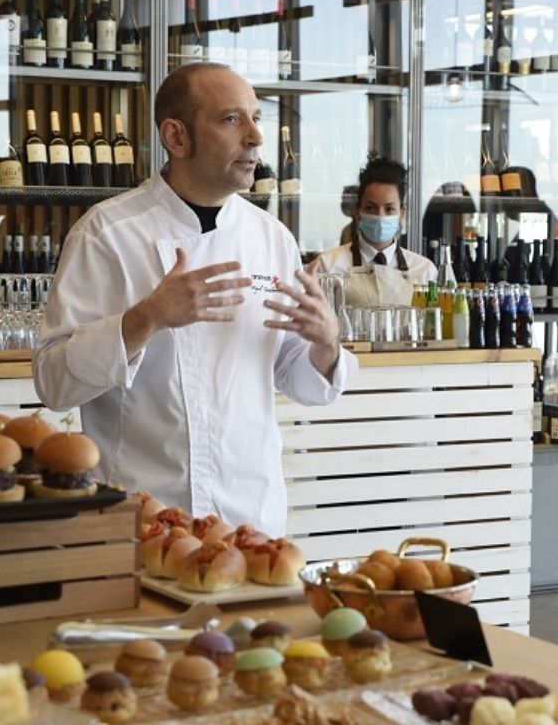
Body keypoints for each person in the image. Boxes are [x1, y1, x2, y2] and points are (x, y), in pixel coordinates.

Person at [32, 63, 358, 537]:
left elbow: (299, 380)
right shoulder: (107, 234)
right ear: (176, 137)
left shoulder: (272, 239)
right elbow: (53, 383)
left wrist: (326, 344)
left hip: (252, 521)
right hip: (140, 520)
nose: (254, 138)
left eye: (255, 118)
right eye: (231, 119)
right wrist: (147, 318)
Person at [309, 156, 437, 284]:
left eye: (389, 209)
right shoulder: (328, 267)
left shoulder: (424, 272)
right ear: (358, 212)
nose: (380, 216)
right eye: (370, 208)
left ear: (402, 213)